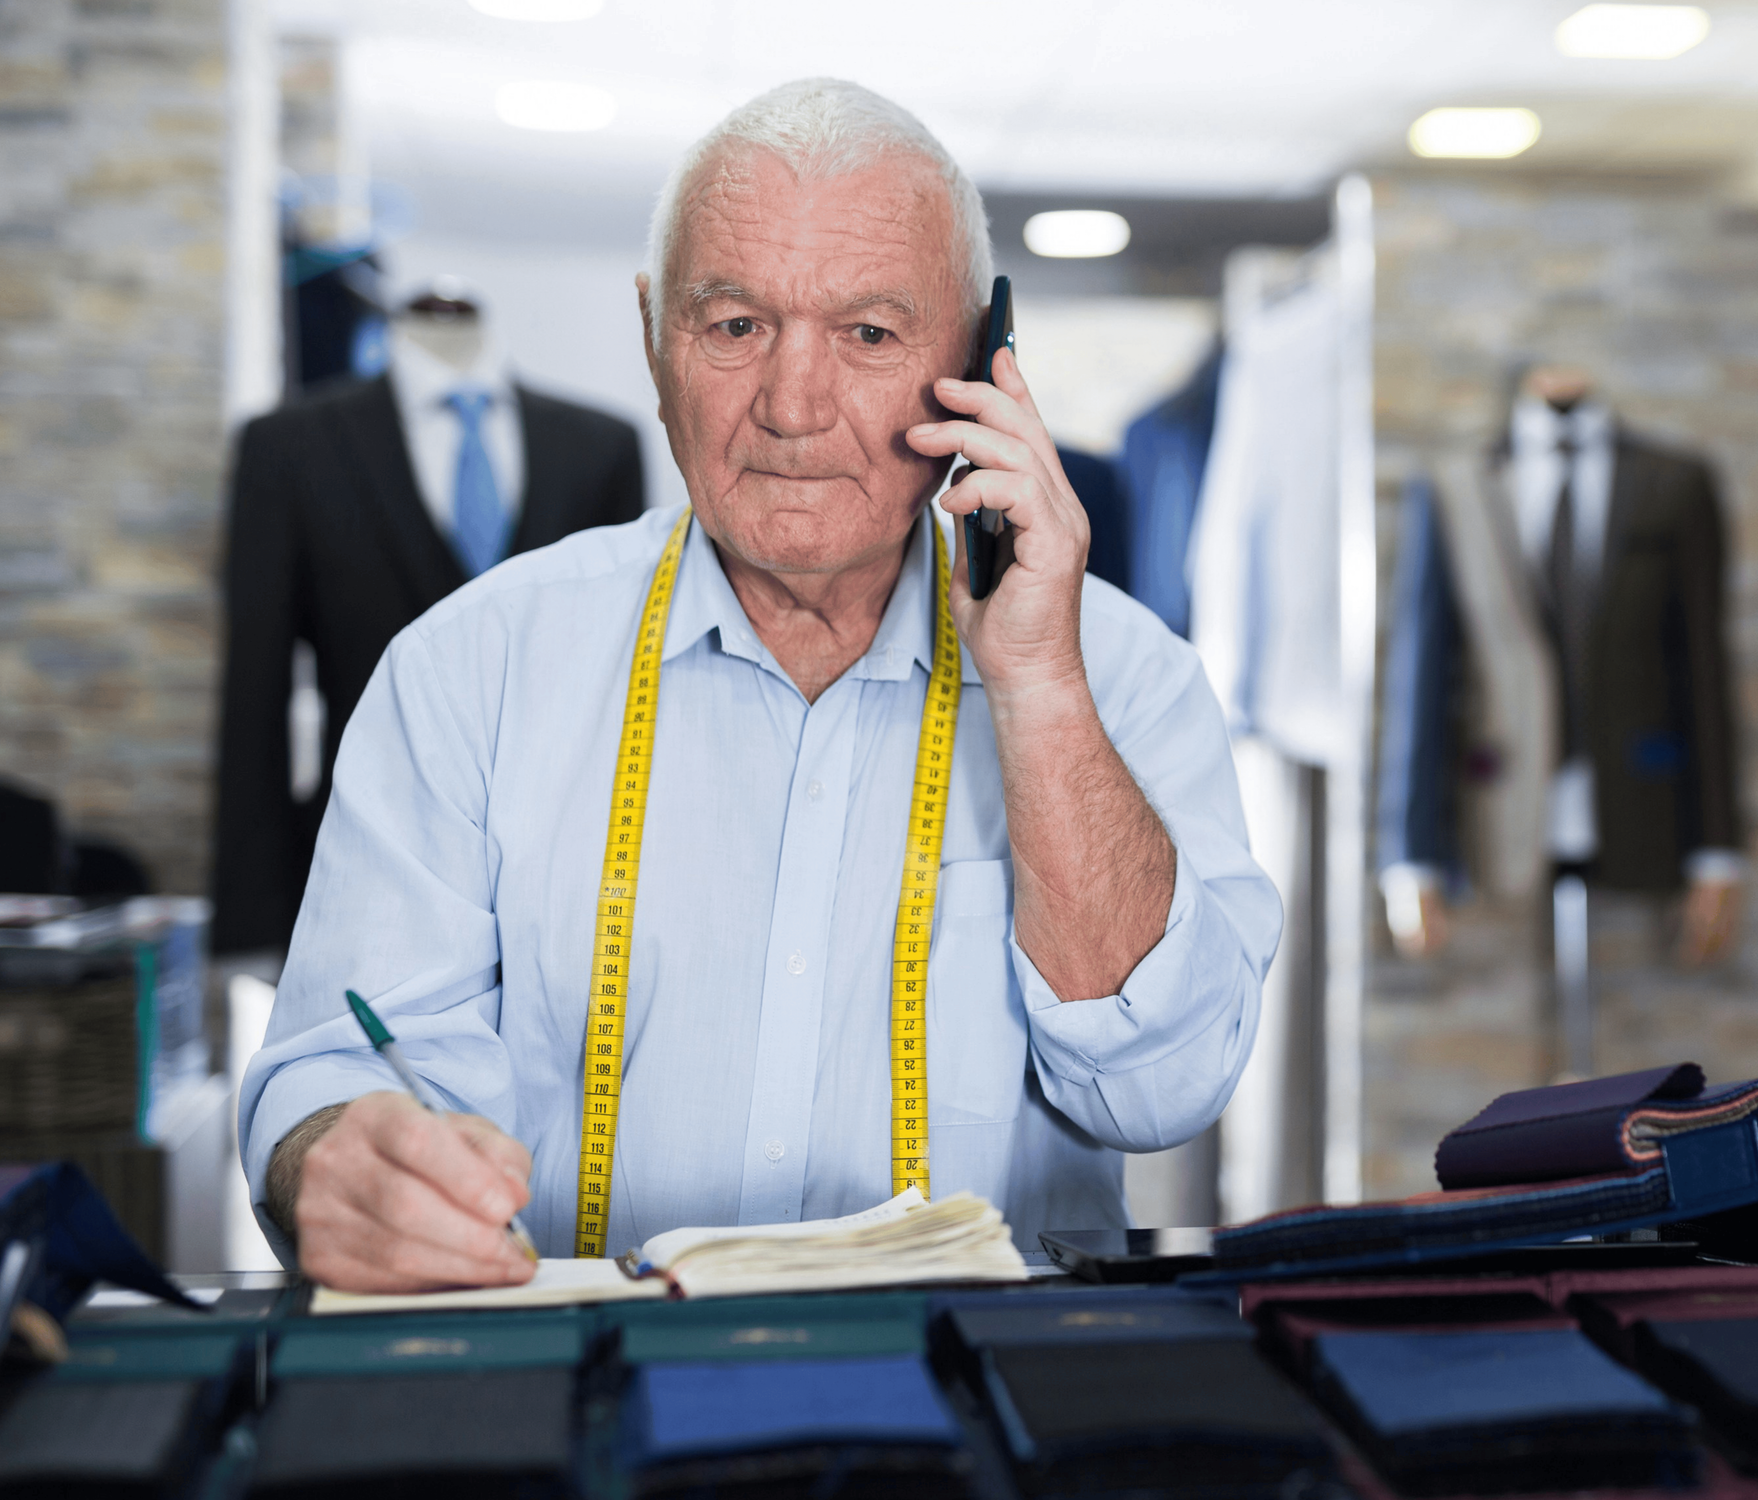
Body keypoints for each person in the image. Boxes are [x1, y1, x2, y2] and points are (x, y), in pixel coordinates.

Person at [237, 79, 1279, 1293]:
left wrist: (1039, 688)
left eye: (870, 335)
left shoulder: (1125, 680)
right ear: (652, 336)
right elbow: (334, 1071)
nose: (791, 406)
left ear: (979, 360)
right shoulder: (469, 670)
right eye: (734, 326)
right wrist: (336, 1161)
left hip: (994, 1410)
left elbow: (1166, 1090)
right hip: (581, 1396)